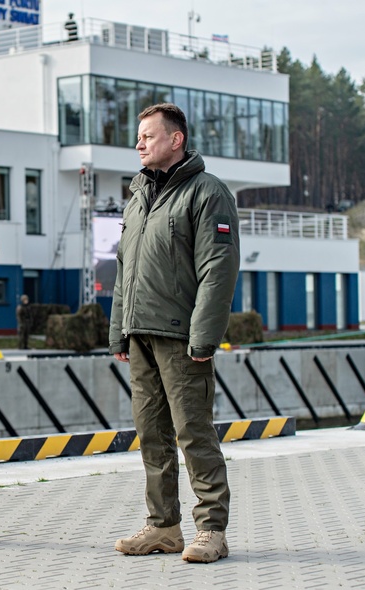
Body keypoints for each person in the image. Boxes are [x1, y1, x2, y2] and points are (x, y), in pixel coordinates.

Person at [109, 103, 240, 563]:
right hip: (140, 333)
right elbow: (125, 268)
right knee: (152, 435)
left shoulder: (207, 193)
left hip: (182, 337)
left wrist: (203, 337)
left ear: (176, 139)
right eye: (138, 137)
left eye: (148, 136)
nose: (139, 144)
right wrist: (118, 331)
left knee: (193, 432)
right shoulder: (138, 196)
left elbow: (218, 270)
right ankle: (163, 526)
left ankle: (211, 529)